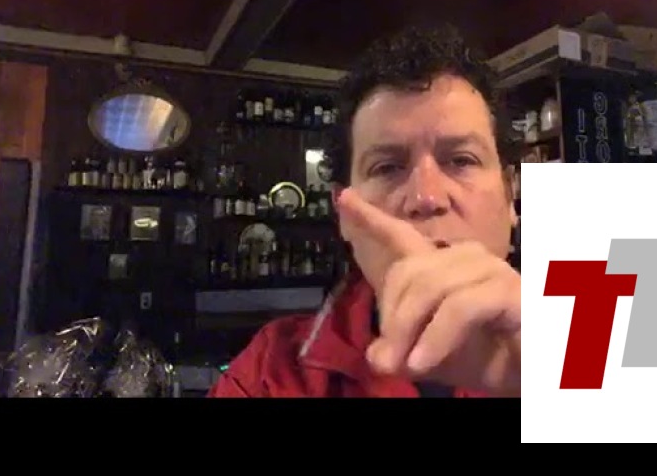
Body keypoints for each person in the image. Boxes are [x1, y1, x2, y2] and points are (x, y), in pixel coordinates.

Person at [208, 24, 521, 398]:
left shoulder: (582, 334)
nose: (427, 197)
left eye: (461, 160)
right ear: (344, 213)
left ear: (511, 195)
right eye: (387, 167)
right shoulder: (266, 375)